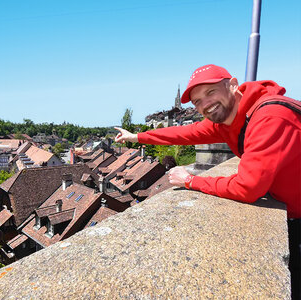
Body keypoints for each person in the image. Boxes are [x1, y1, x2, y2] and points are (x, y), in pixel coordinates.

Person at [115, 64, 301, 299]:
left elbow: (248, 188)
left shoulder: (269, 118)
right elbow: (184, 133)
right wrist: (137, 137)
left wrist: (191, 181)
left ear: (233, 85)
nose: (205, 105)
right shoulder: (231, 119)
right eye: (197, 101)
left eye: (210, 92)